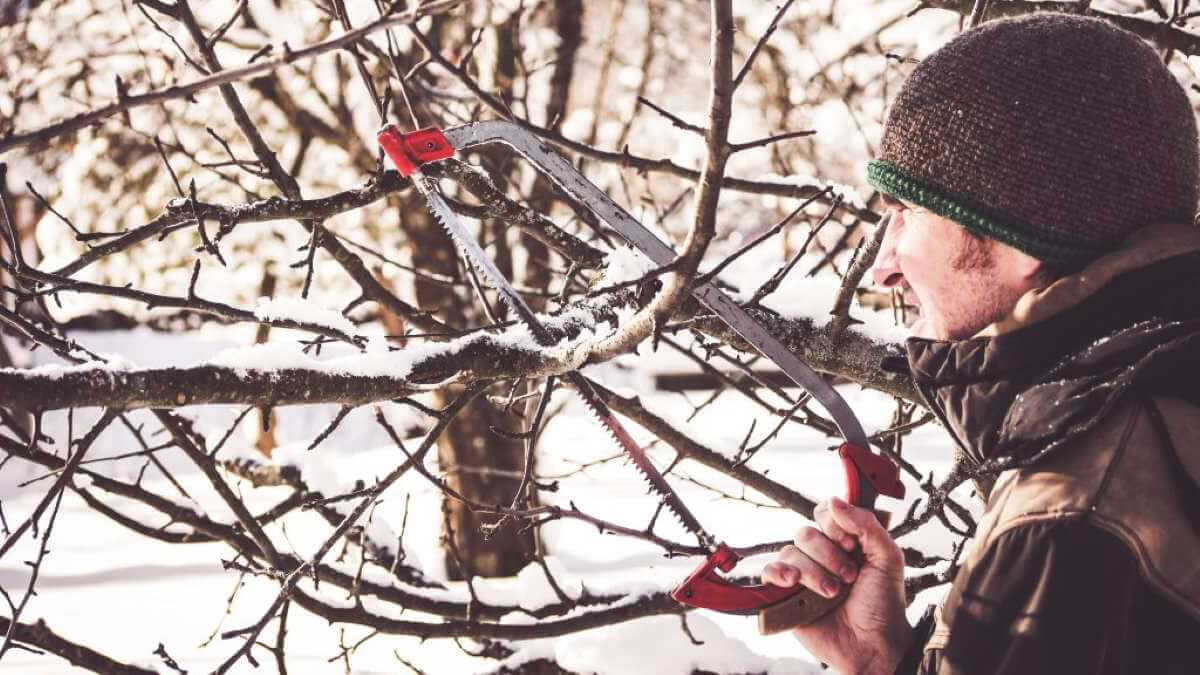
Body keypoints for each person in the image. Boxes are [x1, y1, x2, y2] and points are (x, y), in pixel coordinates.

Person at [762, 11, 1200, 674]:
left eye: (905, 212)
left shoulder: (1075, 511)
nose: (884, 265)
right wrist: (890, 658)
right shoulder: (1158, 409)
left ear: (1017, 231)